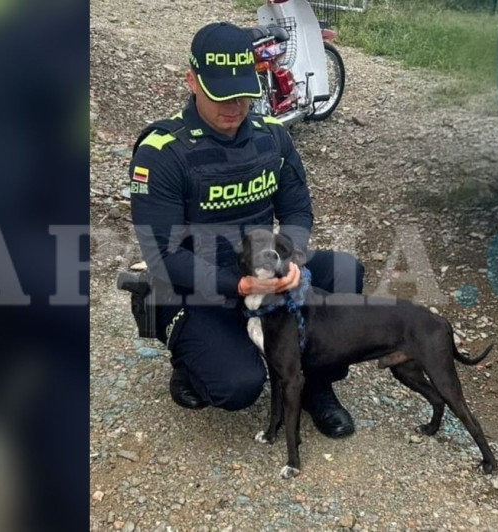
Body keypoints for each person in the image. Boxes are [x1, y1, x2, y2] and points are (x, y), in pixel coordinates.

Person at [129, 22, 363, 438]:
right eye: (221, 95)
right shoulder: (163, 152)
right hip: (195, 287)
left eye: (243, 92)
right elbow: (163, 256)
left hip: (261, 269)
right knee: (238, 386)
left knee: (345, 272)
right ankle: (186, 360)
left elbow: (297, 209)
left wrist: (291, 258)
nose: (235, 106)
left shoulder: (272, 137)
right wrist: (239, 286)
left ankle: (317, 386)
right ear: (191, 81)